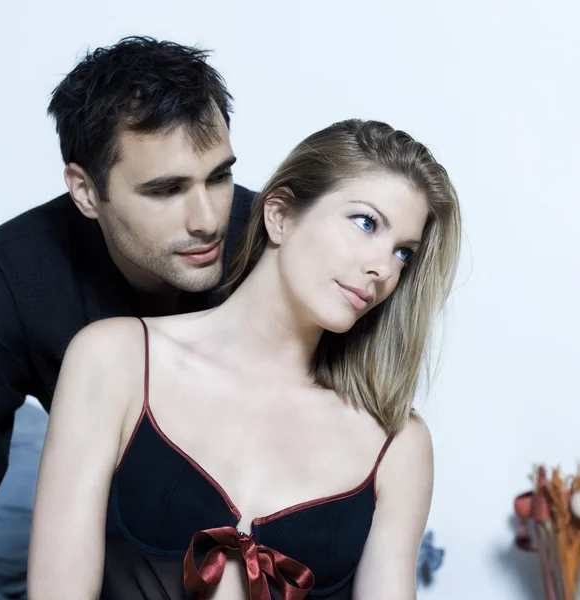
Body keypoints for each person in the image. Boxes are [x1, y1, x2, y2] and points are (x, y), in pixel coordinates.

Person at [28, 119, 462, 599]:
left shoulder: (397, 444)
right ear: (279, 214)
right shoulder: (115, 359)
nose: (382, 267)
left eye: (403, 252)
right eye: (365, 223)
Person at [0, 36, 255, 597]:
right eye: (166, 190)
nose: (207, 220)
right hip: (118, 554)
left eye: (219, 177)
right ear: (85, 191)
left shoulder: (275, 247)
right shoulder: (13, 275)